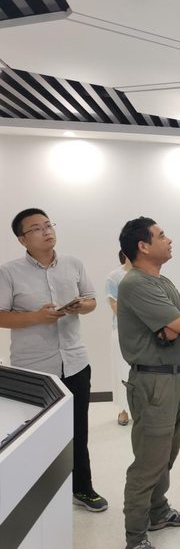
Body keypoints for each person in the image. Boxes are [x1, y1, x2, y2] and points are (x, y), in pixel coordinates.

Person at [0, 208, 108, 512]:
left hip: (75, 362)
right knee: (35, 434)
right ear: (22, 239)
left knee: (78, 430)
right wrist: (37, 317)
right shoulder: (8, 272)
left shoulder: (73, 264)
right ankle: (37, 498)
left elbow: (91, 300)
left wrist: (80, 307)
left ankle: (82, 488)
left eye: (48, 225)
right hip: (34, 368)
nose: (46, 231)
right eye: (36, 228)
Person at [117, 217, 180, 549]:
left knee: (167, 453)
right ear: (143, 246)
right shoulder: (135, 284)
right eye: (161, 235)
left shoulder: (162, 281)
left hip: (178, 377)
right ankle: (135, 536)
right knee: (149, 461)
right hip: (154, 382)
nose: (169, 240)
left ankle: (158, 513)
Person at [106, 250, 132, 426]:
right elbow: (114, 305)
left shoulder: (148, 273)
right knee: (123, 371)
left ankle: (141, 409)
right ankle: (124, 410)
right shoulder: (115, 276)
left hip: (147, 332)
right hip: (122, 331)